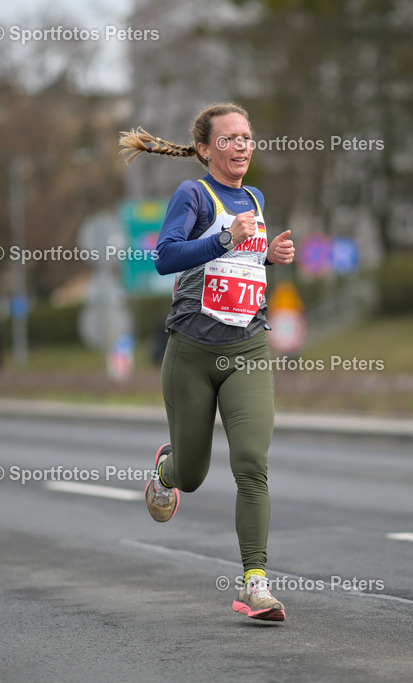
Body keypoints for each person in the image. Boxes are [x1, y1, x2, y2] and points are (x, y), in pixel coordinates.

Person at [119, 103, 295, 621]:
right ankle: (167, 472)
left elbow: (240, 260)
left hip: (248, 350)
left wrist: (269, 255)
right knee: (194, 474)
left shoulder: (256, 198)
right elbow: (165, 257)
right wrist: (224, 236)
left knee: (251, 465)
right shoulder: (193, 194)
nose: (242, 146)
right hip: (192, 353)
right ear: (204, 149)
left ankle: (256, 585)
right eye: (230, 139)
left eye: (248, 137)